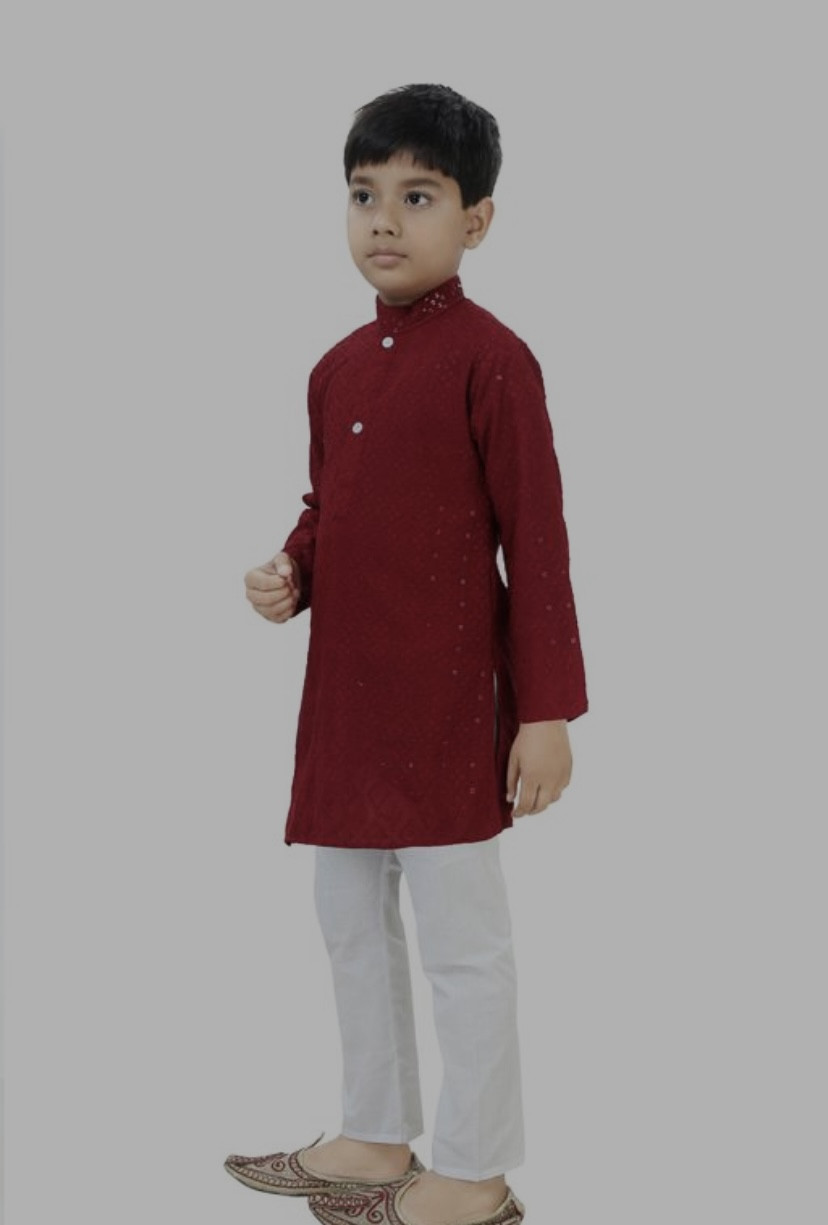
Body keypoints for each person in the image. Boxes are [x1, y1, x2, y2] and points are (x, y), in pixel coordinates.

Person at [225, 83, 588, 1225]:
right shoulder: (336, 368)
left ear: (477, 218)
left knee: (463, 945)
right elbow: (330, 506)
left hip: (447, 707)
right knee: (348, 924)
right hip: (346, 705)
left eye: (418, 196)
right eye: (363, 194)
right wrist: (293, 570)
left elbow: (536, 539)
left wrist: (546, 712)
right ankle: (376, 1133)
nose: (384, 219)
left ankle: (474, 1170)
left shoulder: (495, 360)